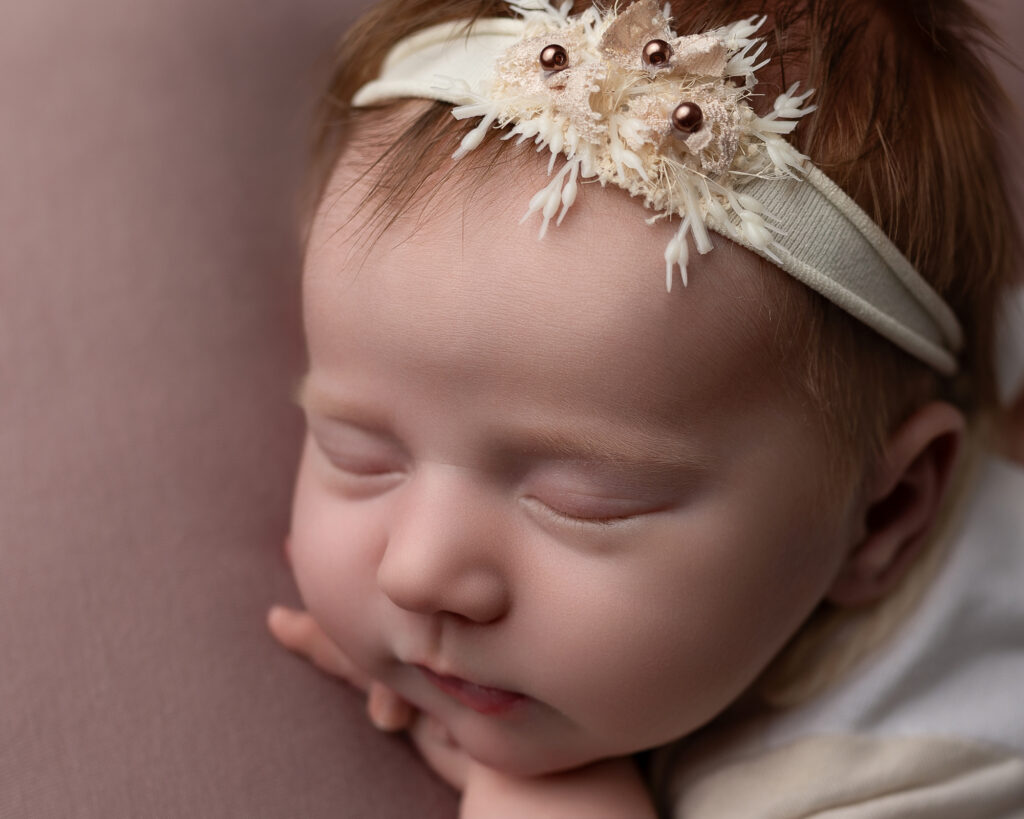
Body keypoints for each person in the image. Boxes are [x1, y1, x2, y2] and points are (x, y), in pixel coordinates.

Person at [266, 0, 1024, 814]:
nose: (417, 572)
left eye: (581, 503)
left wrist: (554, 795)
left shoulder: (926, 759)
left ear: (883, 513)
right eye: (359, 453)